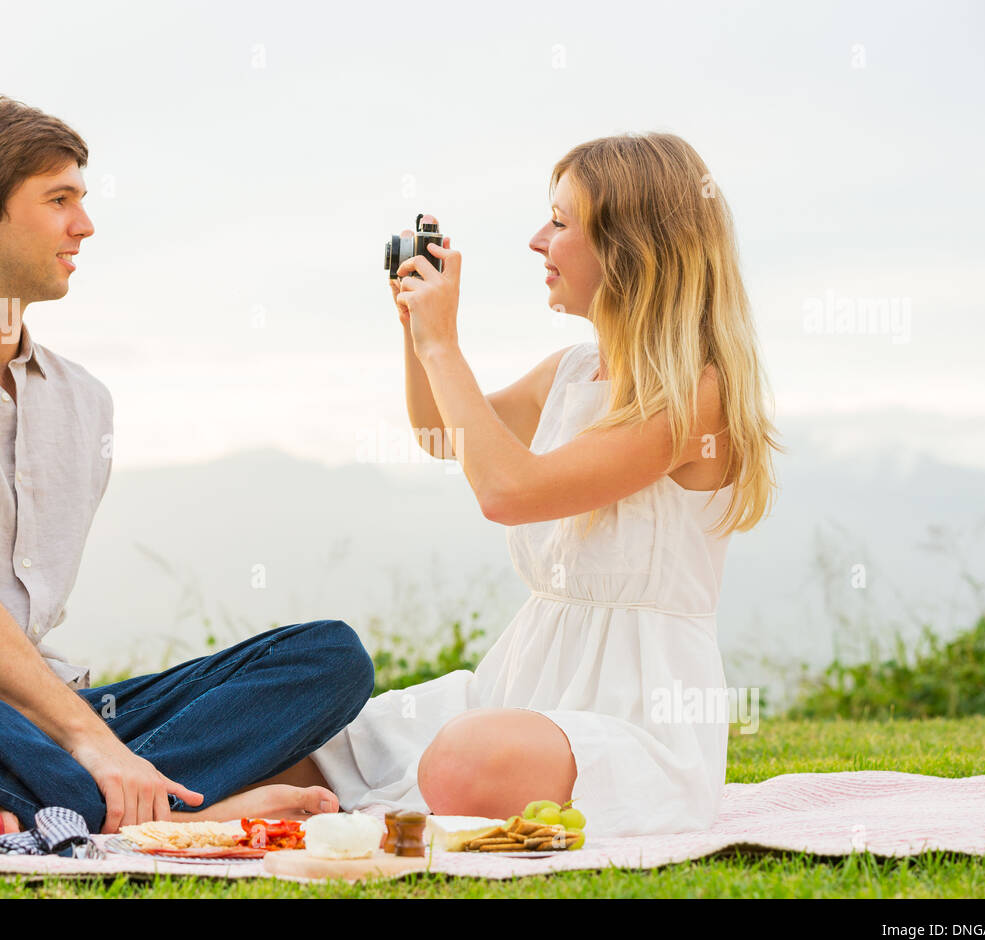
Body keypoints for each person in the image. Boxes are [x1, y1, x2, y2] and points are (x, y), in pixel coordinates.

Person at [0, 93, 374, 837]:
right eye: (59, 199)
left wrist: (86, 733)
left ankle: (104, 807)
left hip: (40, 725)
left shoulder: (82, 402)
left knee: (328, 656)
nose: (85, 225)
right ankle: (176, 814)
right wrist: (93, 742)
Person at [258, 133, 783, 835]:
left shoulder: (694, 395)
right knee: (304, 748)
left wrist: (446, 345)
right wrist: (421, 332)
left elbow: (507, 491)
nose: (539, 241)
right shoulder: (570, 373)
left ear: (630, 247)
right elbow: (442, 434)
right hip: (522, 681)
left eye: (561, 223)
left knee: (469, 758)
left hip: (637, 721)